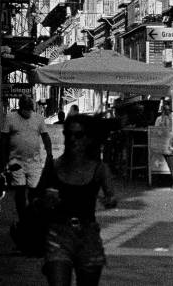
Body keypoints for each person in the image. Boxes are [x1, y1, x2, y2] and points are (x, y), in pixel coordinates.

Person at [36, 111, 116, 286]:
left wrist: (108, 201)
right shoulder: (54, 166)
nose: (72, 139)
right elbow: (36, 196)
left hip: (88, 235)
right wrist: (46, 200)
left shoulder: (99, 169)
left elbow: (111, 196)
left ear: (88, 139)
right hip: (58, 234)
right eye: (68, 134)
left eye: (78, 135)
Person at [0, 93, 52, 231]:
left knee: (35, 191)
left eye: (30, 109)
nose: (27, 112)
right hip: (16, 161)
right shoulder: (11, 117)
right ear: (20, 108)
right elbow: (3, 139)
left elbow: (45, 136)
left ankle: (33, 216)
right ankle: (22, 217)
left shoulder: (38, 119)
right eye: (25, 109)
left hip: (34, 162)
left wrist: (50, 154)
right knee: (20, 190)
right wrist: (3, 160)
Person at [149, 104, 173, 192]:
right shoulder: (161, 119)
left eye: (168, 110)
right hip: (166, 144)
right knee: (172, 162)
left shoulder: (171, 118)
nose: (167, 111)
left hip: (171, 144)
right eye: (166, 110)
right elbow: (156, 130)